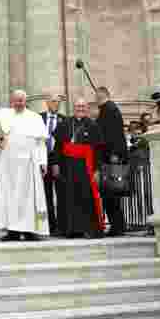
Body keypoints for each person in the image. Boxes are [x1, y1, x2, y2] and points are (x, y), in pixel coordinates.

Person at [0, 88, 49, 241]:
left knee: (29, 199)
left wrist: (43, 162)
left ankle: (30, 231)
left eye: (22, 100)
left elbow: (41, 143)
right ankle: (12, 231)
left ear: (26, 102)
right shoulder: (5, 114)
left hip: (29, 165)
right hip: (9, 165)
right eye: (16, 100)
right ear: (12, 101)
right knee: (10, 197)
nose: (19, 103)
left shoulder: (35, 117)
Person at [50, 97, 105, 238]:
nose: (80, 109)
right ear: (73, 108)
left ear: (86, 108)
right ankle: (70, 229)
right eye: (77, 106)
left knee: (86, 197)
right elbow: (57, 147)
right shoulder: (65, 123)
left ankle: (88, 229)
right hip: (67, 166)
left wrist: (97, 169)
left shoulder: (93, 125)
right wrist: (55, 163)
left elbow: (98, 150)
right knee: (68, 197)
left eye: (82, 106)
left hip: (86, 166)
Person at [94, 86, 128, 236]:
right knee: (110, 193)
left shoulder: (109, 109)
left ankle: (117, 227)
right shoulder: (108, 109)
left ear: (102, 95)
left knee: (111, 194)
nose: (95, 99)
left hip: (111, 159)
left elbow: (113, 134)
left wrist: (114, 155)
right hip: (109, 158)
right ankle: (118, 225)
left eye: (97, 96)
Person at [41, 92, 64, 236]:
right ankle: (49, 225)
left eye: (58, 102)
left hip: (59, 162)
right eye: (53, 102)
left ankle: (62, 225)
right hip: (43, 161)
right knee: (45, 194)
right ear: (47, 103)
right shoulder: (38, 118)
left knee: (61, 194)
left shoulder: (65, 120)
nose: (56, 104)